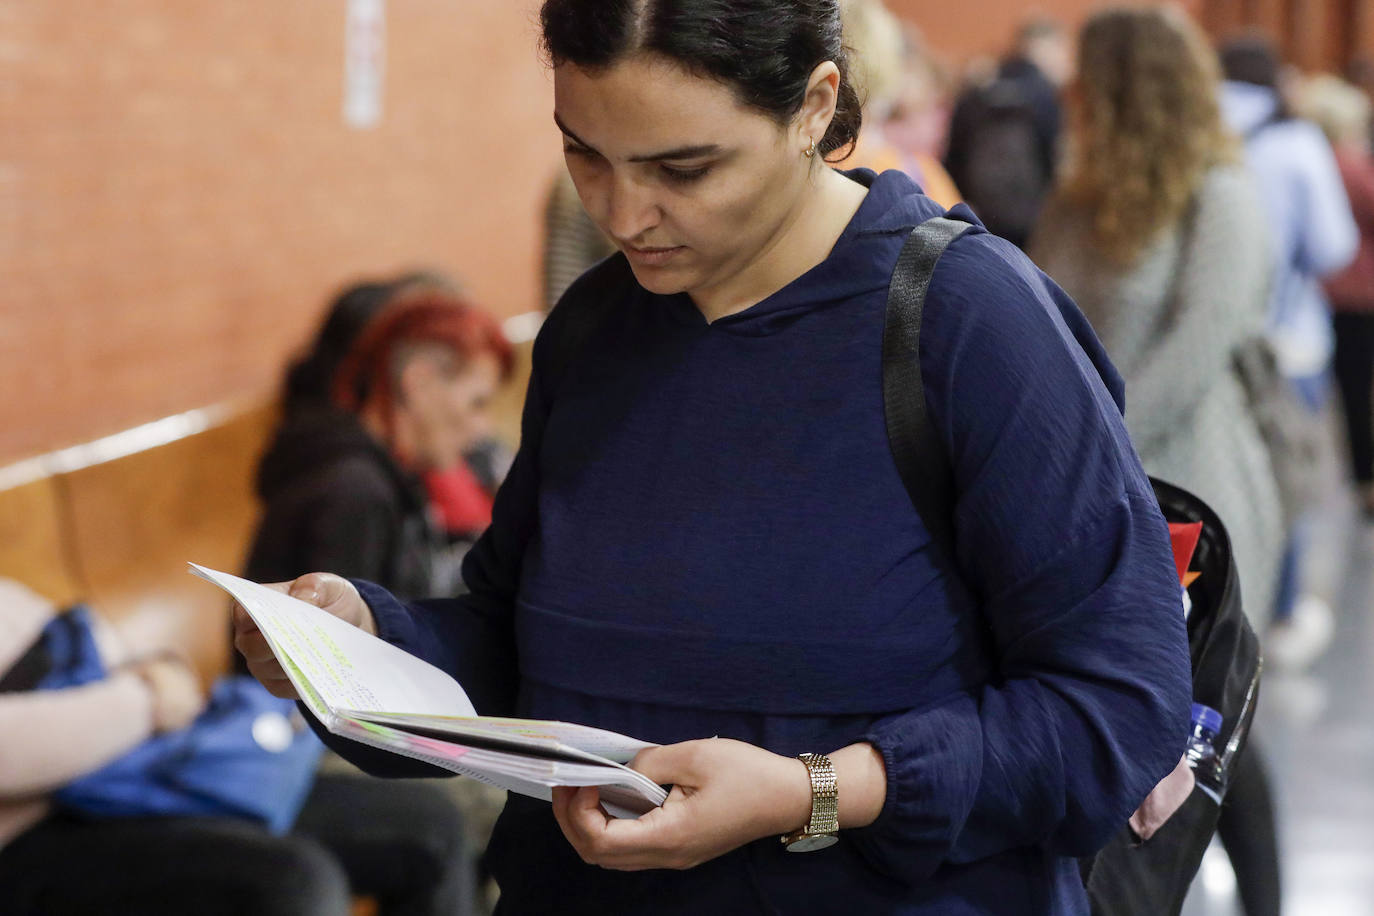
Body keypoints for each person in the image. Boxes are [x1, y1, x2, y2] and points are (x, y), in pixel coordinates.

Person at [237, 1, 1192, 913]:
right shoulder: (598, 327)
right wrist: (362, 641)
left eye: (683, 168)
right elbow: (514, 643)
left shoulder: (968, 321)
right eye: (584, 153)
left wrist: (817, 790)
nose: (623, 213)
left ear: (815, 107)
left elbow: (1118, 708)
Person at [1032, 12, 1284, 916]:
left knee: (1213, 724)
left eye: (1087, 79)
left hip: (1196, 493)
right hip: (1088, 495)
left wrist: (1082, 445)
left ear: (1130, 85)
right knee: (1116, 714)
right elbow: (1039, 330)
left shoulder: (1222, 195)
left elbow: (1196, 350)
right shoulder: (1080, 195)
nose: (1069, 95)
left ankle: (1268, 901)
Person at [0, 579, 357, 916]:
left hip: (143, 766)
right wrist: (150, 695)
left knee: (408, 821)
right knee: (294, 882)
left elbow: (114, 652)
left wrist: (158, 675)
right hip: (34, 829)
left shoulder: (10, 594)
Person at [1219, 36, 1358, 673]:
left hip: (1209, 343)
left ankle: (1213, 619)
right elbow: (1333, 244)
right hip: (1287, 342)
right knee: (1285, 480)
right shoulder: (1295, 141)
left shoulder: (1194, 126)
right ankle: (1274, 615)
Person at [244, 287, 513, 598]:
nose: (483, 429)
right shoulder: (353, 490)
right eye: (477, 403)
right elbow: (341, 641)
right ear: (419, 382)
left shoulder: (384, 469)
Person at [1299, 75, 1374, 517]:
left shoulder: (1316, 160)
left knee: (1349, 389)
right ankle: (1366, 476)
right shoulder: (1347, 162)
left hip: (1332, 291)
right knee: (1357, 389)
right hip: (1358, 291)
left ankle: (1360, 473)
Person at [943, 16, 1071, 248]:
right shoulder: (1049, 97)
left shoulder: (977, 91)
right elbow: (1058, 160)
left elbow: (953, 157)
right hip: (1036, 223)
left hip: (980, 218)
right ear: (1053, 48)